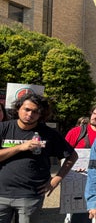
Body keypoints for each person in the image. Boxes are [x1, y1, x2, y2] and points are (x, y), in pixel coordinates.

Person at [0, 93, 78, 223]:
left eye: (35, 112)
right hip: (1, 192)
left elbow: (72, 155)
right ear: (18, 108)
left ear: (41, 114)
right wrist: (20, 147)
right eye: (27, 109)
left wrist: (57, 179)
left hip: (30, 195)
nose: (30, 114)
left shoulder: (49, 134)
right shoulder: (4, 128)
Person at [64, 103, 96, 223]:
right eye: (94, 113)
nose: (95, 117)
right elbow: (64, 156)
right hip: (80, 183)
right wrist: (73, 168)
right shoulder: (76, 132)